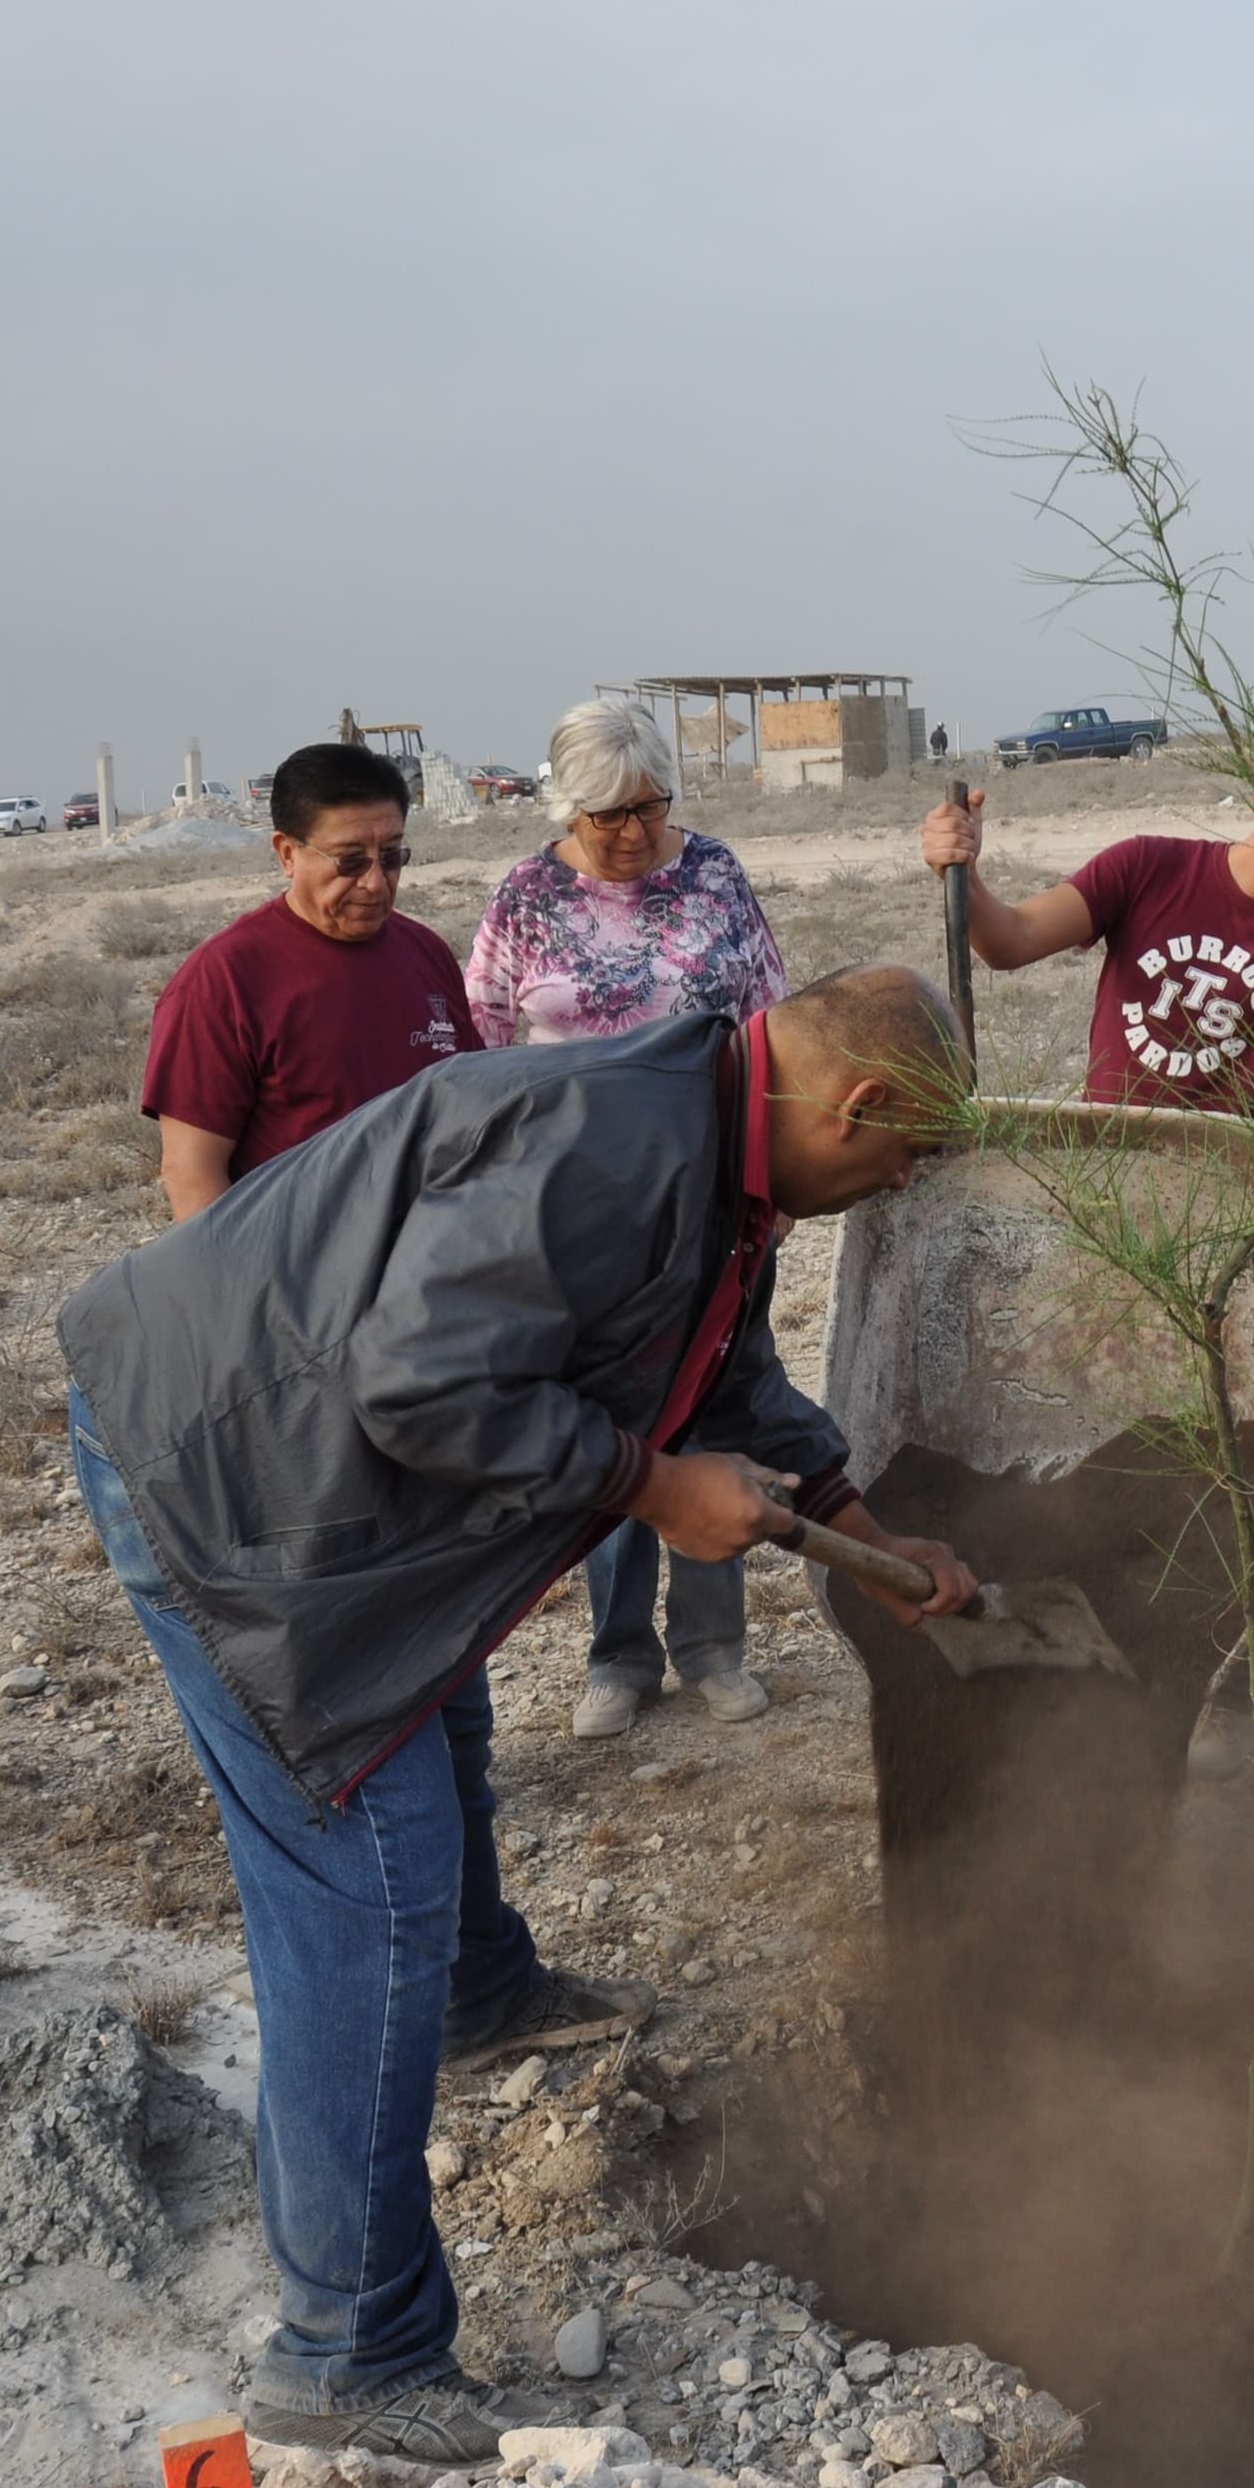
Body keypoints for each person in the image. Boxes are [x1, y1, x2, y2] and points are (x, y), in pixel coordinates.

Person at [57, 966, 980, 2468]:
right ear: (857, 1105)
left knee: (439, 1740)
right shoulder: (618, 1141)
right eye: (905, 1158)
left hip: (297, 1451)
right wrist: (649, 1485)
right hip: (227, 1465)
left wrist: (852, 1515)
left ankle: (481, 2002)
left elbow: (718, 1363)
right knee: (370, 1870)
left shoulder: (720, 1134)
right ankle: (348, 2354)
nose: (902, 1183)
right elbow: (417, 1382)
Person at [466, 698, 795, 1738]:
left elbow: (773, 1028)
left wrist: (773, 1186)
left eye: (648, 806)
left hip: (711, 1206)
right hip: (577, 1217)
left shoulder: (715, 877)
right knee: (610, 1434)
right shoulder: (525, 894)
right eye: (607, 814)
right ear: (569, 806)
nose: (632, 833)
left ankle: (712, 1645)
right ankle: (619, 1657)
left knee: (714, 1415)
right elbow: (476, 1048)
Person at [915, 762, 1254, 1113]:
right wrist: (964, 872)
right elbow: (1012, 940)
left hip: (1234, 1168)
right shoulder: (1147, 866)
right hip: (1116, 1149)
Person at [141, 741, 472, 1221]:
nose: (376, 882)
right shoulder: (223, 982)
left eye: (392, 856)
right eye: (350, 860)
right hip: (300, 1272)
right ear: (287, 854)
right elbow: (192, 1175)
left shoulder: (427, 953)